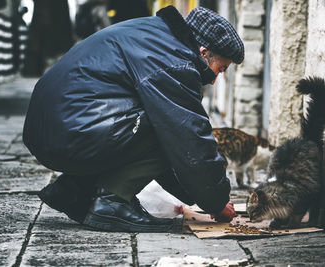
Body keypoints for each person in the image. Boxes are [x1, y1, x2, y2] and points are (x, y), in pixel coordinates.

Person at [23, 5, 244, 232]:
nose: (215, 80)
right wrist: (216, 202)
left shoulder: (157, 36)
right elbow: (190, 143)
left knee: (164, 121)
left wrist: (201, 197)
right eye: (221, 69)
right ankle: (111, 202)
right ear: (204, 52)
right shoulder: (176, 62)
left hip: (54, 129)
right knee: (170, 127)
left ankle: (77, 189)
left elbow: (171, 158)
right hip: (71, 131)